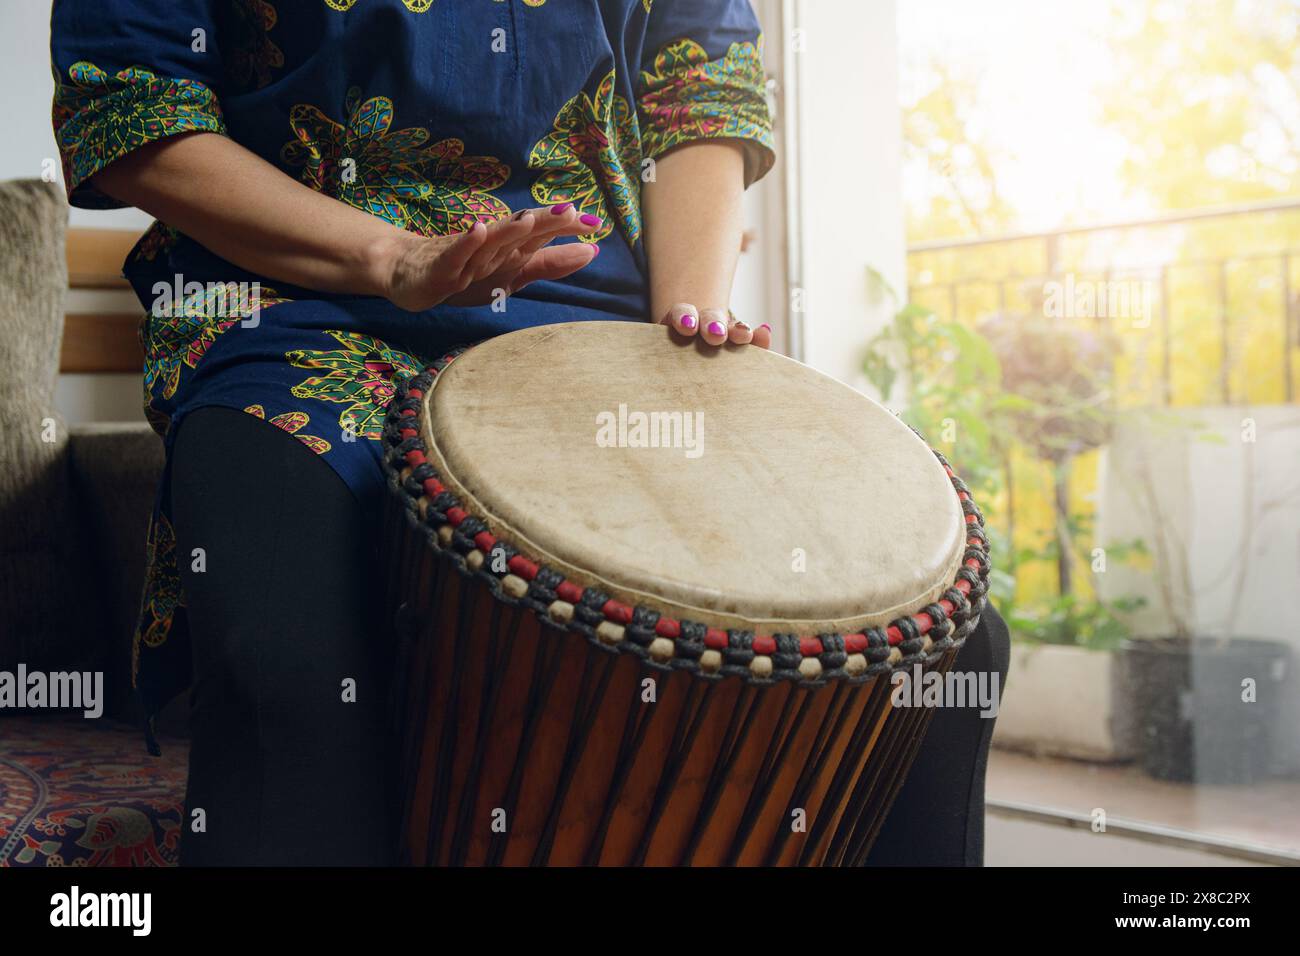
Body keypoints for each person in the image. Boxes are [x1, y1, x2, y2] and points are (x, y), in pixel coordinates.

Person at [51, 0, 1007, 866]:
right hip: (292, 310)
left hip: (590, 327)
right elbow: (131, 102)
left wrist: (684, 324)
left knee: (929, 647)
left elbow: (702, 84)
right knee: (283, 660)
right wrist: (395, 256)